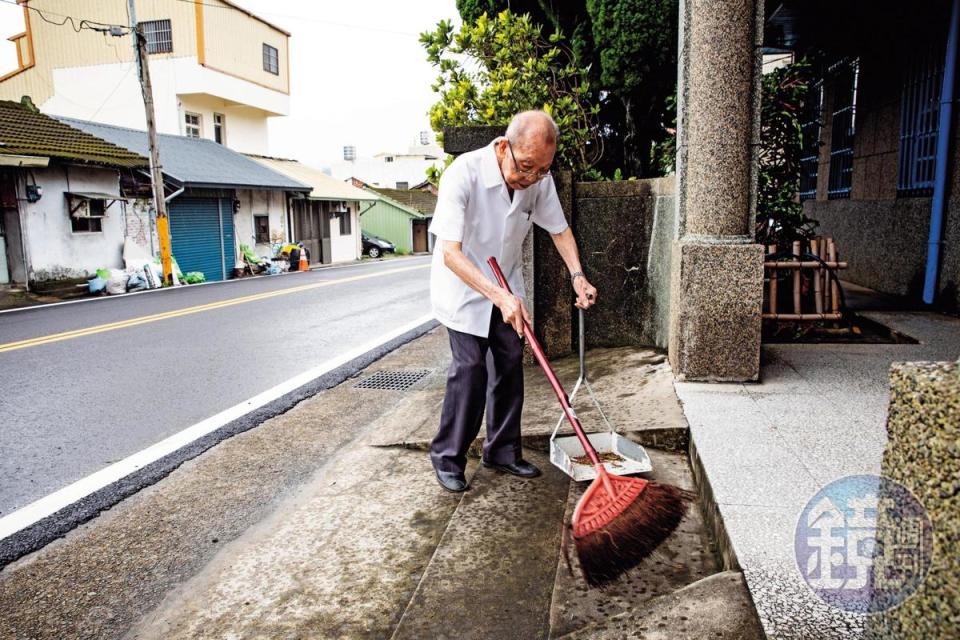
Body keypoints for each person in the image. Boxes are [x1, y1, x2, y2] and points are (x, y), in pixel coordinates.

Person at [428, 110, 598, 492]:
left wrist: (577, 276)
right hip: (464, 286)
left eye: (541, 170)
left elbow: (559, 229)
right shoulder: (464, 173)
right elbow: (450, 254)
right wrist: (498, 296)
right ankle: (448, 456)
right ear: (504, 147)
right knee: (471, 368)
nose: (532, 178)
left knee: (509, 360)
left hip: (506, 284)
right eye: (526, 167)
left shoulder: (538, 178)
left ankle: (502, 450)